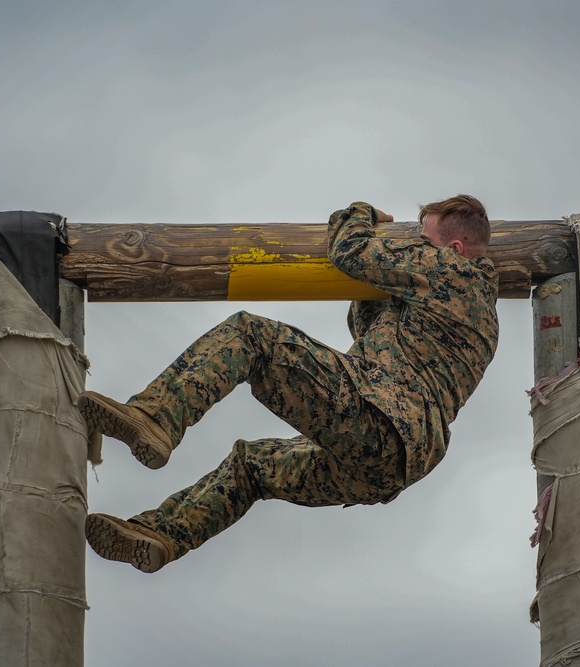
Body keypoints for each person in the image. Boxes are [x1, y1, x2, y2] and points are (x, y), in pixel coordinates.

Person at [79, 196, 499, 573]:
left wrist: (364, 215)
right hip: (388, 466)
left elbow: (349, 251)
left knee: (251, 335)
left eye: (423, 240)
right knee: (253, 465)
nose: (417, 247)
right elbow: (368, 332)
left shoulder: (453, 270)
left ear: (456, 248)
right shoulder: (477, 311)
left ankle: (155, 417)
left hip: (380, 419)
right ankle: (162, 535)